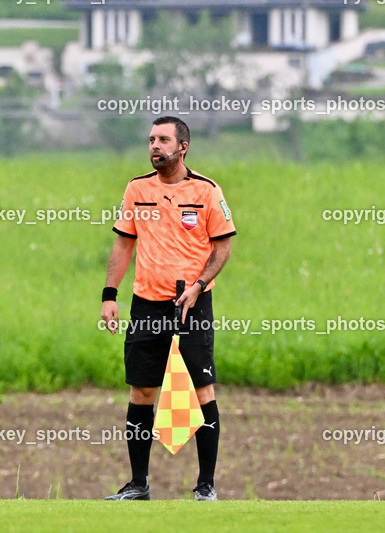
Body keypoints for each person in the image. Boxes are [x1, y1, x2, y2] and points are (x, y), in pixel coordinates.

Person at [100, 116, 235, 501]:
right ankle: (138, 484)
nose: (154, 146)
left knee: (202, 389)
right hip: (146, 302)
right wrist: (110, 295)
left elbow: (222, 246)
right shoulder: (136, 189)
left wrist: (197, 286)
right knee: (142, 390)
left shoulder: (206, 191)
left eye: (162, 139)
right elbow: (123, 245)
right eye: (151, 140)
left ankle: (206, 486)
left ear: (182, 147)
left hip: (191, 302)